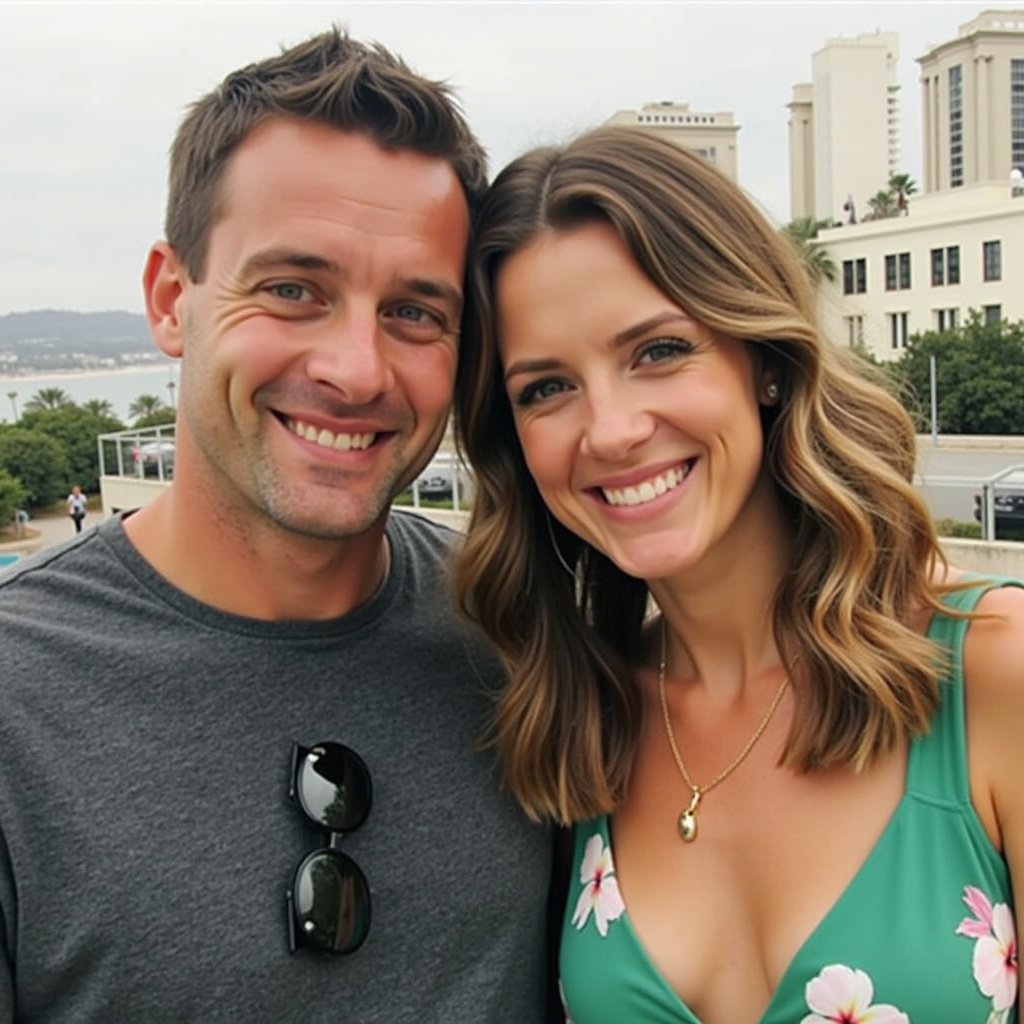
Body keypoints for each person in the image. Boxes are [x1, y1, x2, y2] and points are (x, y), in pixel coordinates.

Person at [0, 29, 551, 1023]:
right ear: (173, 299)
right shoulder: (18, 701)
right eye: (294, 290)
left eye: (415, 313)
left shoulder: (520, 631)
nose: (356, 369)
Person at [454, 125, 1023, 1023]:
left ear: (761, 358)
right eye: (546, 388)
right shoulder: (579, 726)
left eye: (658, 350)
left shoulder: (991, 670)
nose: (609, 430)